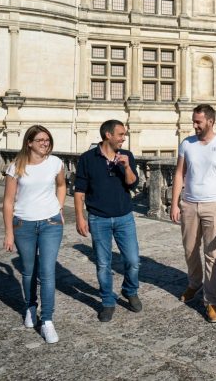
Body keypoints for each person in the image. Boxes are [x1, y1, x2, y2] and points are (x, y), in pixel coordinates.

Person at [170, 104, 216, 323]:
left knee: (212, 255)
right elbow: (180, 173)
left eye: (198, 121)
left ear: (210, 121)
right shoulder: (186, 144)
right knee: (190, 250)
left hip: (213, 205)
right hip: (189, 204)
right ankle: (194, 283)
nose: (194, 125)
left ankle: (212, 301)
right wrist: (174, 203)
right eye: (194, 121)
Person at [2, 125, 66, 344]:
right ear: (29, 142)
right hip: (23, 224)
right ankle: (30, 307)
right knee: (29, 272)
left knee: (47, 273)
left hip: (50, 223)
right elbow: (8, 202)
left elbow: (61, 186)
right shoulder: (15, 167)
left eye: (47, 139)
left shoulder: (56, 163)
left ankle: (47, 320)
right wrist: (9, 233)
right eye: (40, 140)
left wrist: (58, 209)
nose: (45, 143)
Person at [74, 119, 141, 322]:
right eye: (121, 134)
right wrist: (80, 217)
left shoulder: (127, 155)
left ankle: (129, 290)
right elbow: (79, 191)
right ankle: (107, 302)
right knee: (103, 264)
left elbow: (132, 183)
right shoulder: (88, 158)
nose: (124, 138)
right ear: (108, 135)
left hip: (124, 217)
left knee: (133, 260)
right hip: (98, 218)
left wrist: (127, 166)